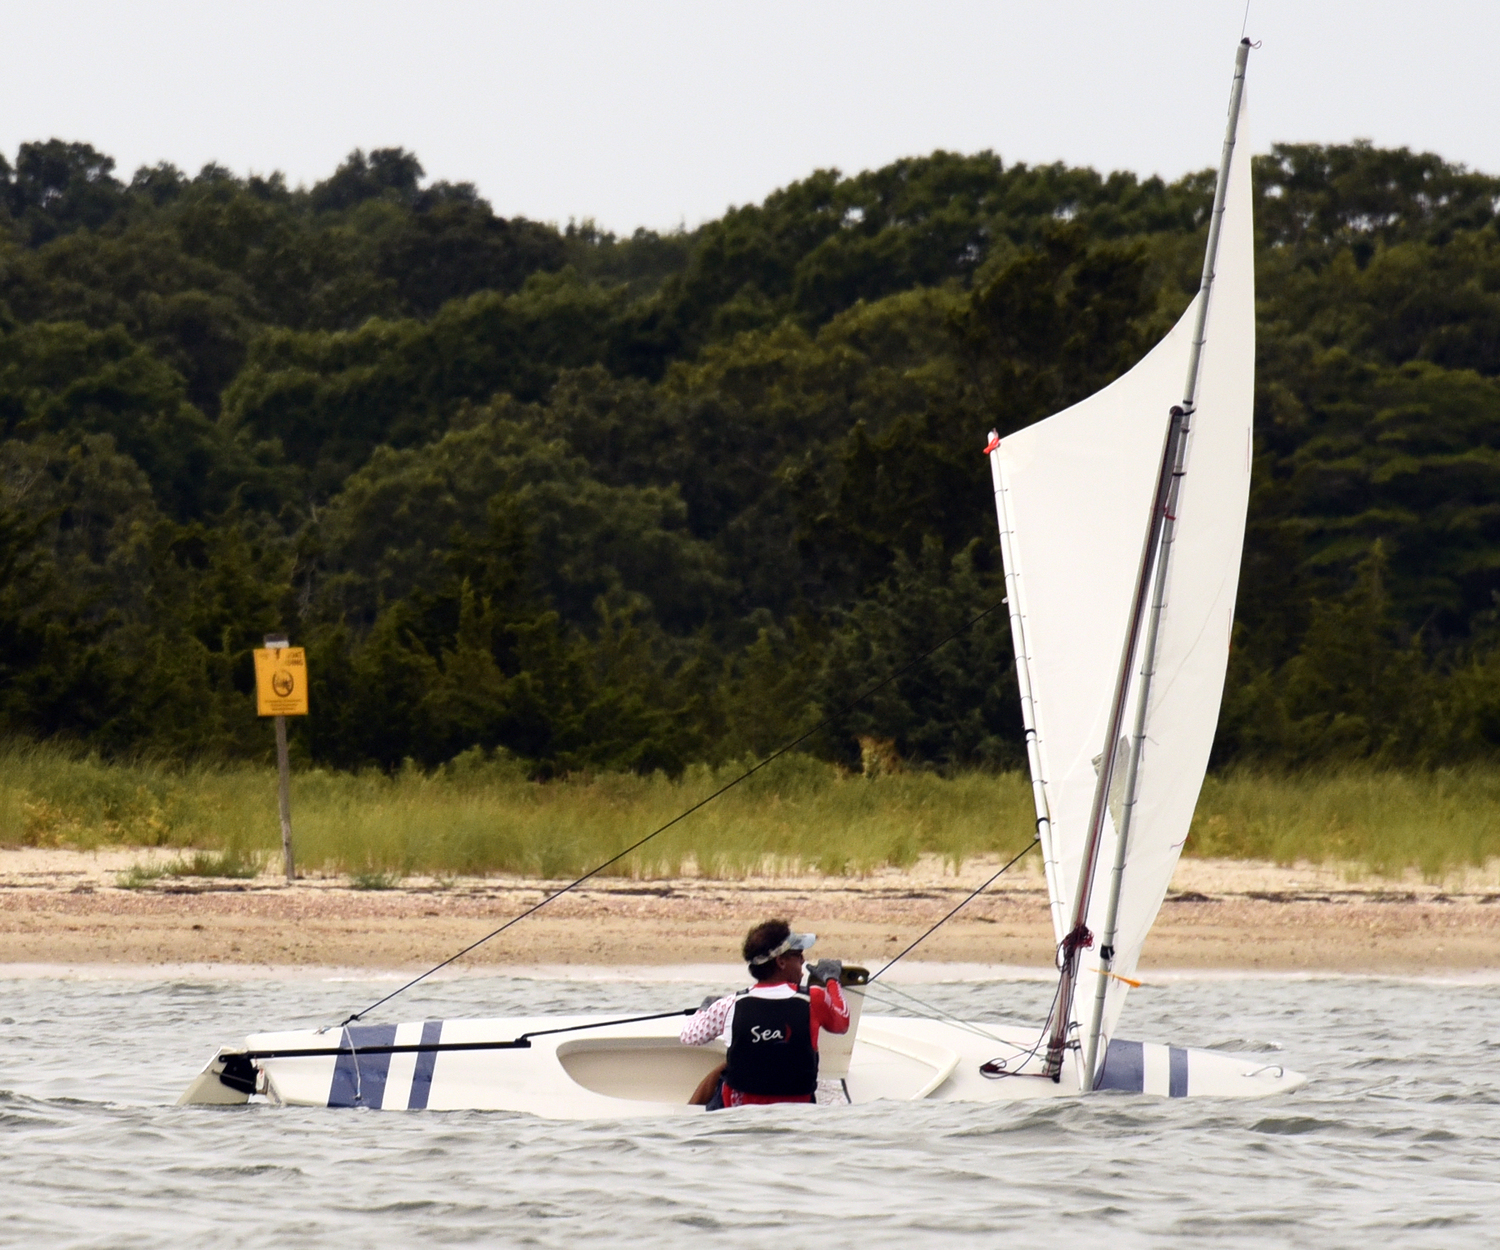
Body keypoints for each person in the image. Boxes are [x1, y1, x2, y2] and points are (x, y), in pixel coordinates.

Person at [680, 918, 849, 1108]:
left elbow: (689, 1037)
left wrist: (704, 1011)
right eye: (798, 954)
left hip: (739, 1110)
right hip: (799, 1107)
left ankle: (689, 1114)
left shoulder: (728, 1005)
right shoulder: (814, 998)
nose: (803, 960)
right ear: (781, 962)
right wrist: (832, 980)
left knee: (724, 1069)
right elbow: (841, 1022)